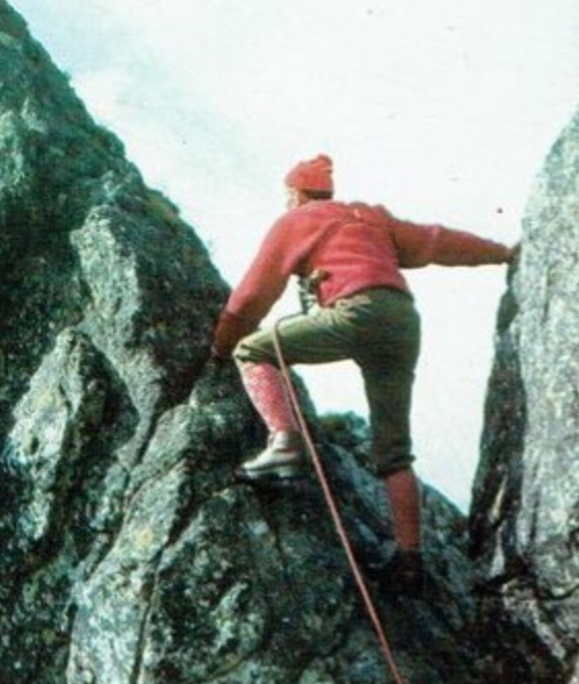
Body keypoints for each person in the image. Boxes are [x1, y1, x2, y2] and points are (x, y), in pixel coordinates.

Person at [211, 154, 513, 591]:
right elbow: (438, 241)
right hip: (401, 320)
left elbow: (252, 296)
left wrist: (221, 345)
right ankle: (409, 558)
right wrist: (502, 254)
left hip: (355, 312)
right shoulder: (369, 217)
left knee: (254, 350)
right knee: (393, 449)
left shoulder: (296, 220)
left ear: (294, 193)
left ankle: (285, 444)